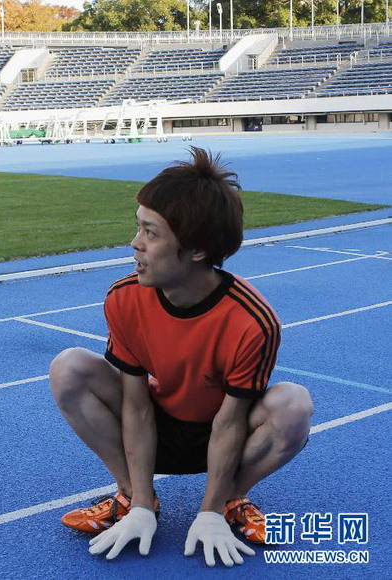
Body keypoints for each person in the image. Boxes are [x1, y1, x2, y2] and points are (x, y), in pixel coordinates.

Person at [49, 147, 313, 567]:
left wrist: (206, 511)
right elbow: (135, 406)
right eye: (138, 228)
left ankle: (228, 502)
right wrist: (139, 502)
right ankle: (134, 499)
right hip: (158, 423)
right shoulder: (124, 298)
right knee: (69, 367)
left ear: (196, 250)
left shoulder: (252, 321)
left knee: (294, 405)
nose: (134, 244)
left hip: (223, 434)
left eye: (151, 233)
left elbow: (229, 421)